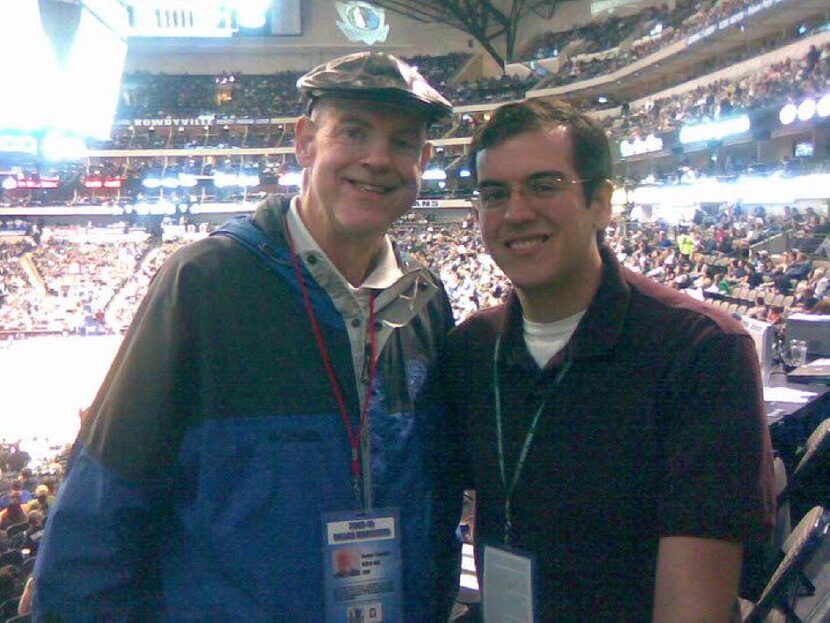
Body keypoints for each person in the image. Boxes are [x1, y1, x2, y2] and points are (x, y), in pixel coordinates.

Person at [34, 52, 458, 621]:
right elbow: (105, 500)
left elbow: (435, 503)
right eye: (353, 132)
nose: (378, 158)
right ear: (305, 141)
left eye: (403, 142)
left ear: (424, 160)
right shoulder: (205, 281)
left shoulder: (425, 302)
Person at [430, 98, 775, 621]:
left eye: (544, 186)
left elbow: (693, 606)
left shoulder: (701, 351)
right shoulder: (469, 351)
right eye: (494, 194)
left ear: (601, 203)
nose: (515, 212)